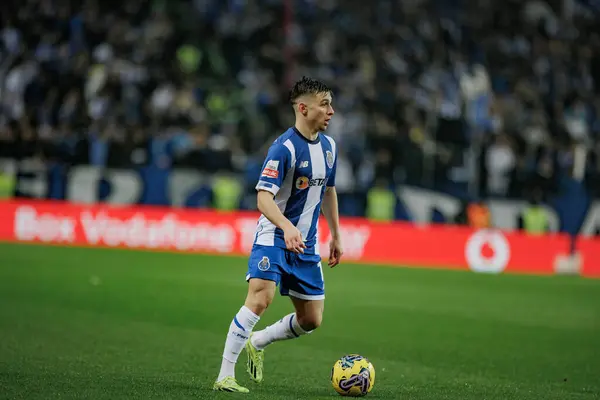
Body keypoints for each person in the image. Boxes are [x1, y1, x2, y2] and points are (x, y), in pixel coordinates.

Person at [213, 76, 343, 393]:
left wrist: (336, 235)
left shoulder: (329, 148)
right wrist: (285, 226)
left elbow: (328, 191)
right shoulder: (283, 148)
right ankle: (224, 375)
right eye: (324, 104)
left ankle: (258, 341)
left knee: (311, 320)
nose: (332, 111)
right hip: (274, 237)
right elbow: (263, 198)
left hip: (306, 246)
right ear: (303, 108)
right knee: (261, 297)